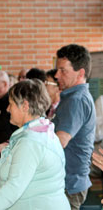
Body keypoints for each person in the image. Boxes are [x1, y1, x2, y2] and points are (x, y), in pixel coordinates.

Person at [0, 79, 70, 210]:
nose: (7, 109)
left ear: (25, 106)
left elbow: (13, 188)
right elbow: (15, 176)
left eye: (11, 104)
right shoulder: (38, 131)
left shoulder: (31, 142)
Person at [52, 44, 96, 210]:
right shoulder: (71, 98)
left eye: (63, 70)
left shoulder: (76, 100)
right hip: (67, 182)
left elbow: (59, 141)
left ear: (81, 73)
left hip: (69, 184)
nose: (57, 75)